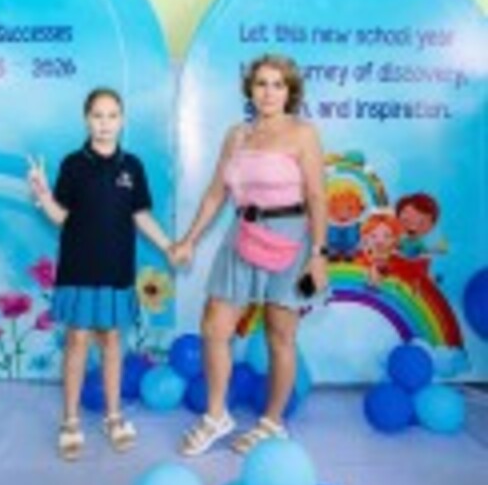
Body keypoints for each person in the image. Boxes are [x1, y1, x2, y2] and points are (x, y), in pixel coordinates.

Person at [172, 54, 328, 456]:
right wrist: (189, 239)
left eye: (278, 84)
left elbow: (317, 196)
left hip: (291, 239)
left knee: (280, 334)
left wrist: (318, 254)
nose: (269, 92)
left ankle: (272, 423)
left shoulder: (303, 134)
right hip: (241, 234)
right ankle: (215, 417)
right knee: (214, 326)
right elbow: (215, 194)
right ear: (250, 89)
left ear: (290, 91)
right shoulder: (236, 136)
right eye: (261, 83)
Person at [28, 87, 172, 460]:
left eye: (112, 116)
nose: (105, 123)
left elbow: (141, 216)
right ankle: (70, 420)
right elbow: (61, 217)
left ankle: (113, 416)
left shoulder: (132, 166)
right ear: (86, 119)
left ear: (122, 120)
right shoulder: (73, 164)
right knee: (77, 340)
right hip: (78, 268)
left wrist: (169, 246)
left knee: (111, 339)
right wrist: (43, 194)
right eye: (97, 115)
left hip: (116, 269)